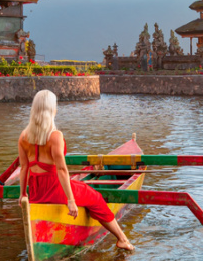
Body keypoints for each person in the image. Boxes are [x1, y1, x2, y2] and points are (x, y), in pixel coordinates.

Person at [17, 89, 134, 251]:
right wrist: (71, 201)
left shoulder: (23, 136)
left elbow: (24, 168)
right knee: (95, 197)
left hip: (36, 192)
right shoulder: (55, 136)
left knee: (83, 190)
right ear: (52, 110)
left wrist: (23, 194)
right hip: (56, 190)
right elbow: (62, 171)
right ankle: (122, 239)